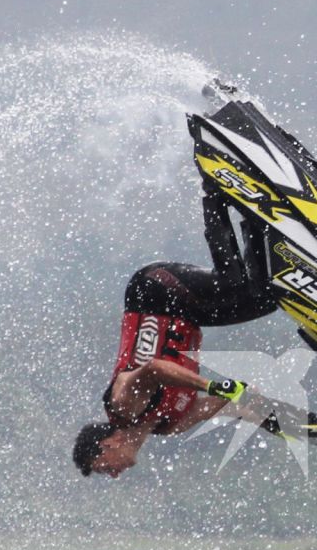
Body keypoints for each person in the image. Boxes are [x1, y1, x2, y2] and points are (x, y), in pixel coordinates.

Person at [71, 173, 274, 479]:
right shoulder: (172, 425)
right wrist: (260, 410)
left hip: (153, 293)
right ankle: (259, 216)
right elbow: (230, 402)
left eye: (104, 468)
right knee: (267, 298)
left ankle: (215, 191)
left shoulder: (122, 406)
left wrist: (214, 386)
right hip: (188, 314)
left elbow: (154, 368)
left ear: (107, 444)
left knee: (231, 283)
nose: (113, 475)